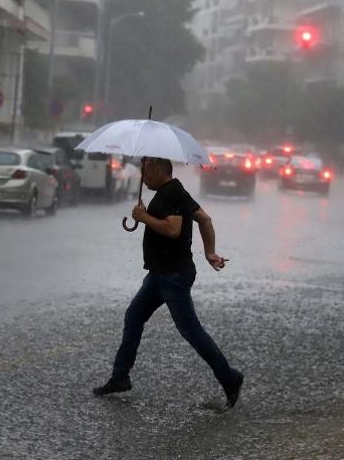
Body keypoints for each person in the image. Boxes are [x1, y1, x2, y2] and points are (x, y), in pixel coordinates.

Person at [93, 157, 244, 410]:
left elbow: (173, 230)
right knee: (134, 316)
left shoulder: (171, 193)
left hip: (173, 276)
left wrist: (143, 217)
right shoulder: (173, 191)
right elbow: (205, 220)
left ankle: (229, 377)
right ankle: (120, 377)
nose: (142, 177)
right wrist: (209, 253)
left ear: (156, 169)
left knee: (191, 331)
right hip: (159, 275)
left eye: (145, 172)